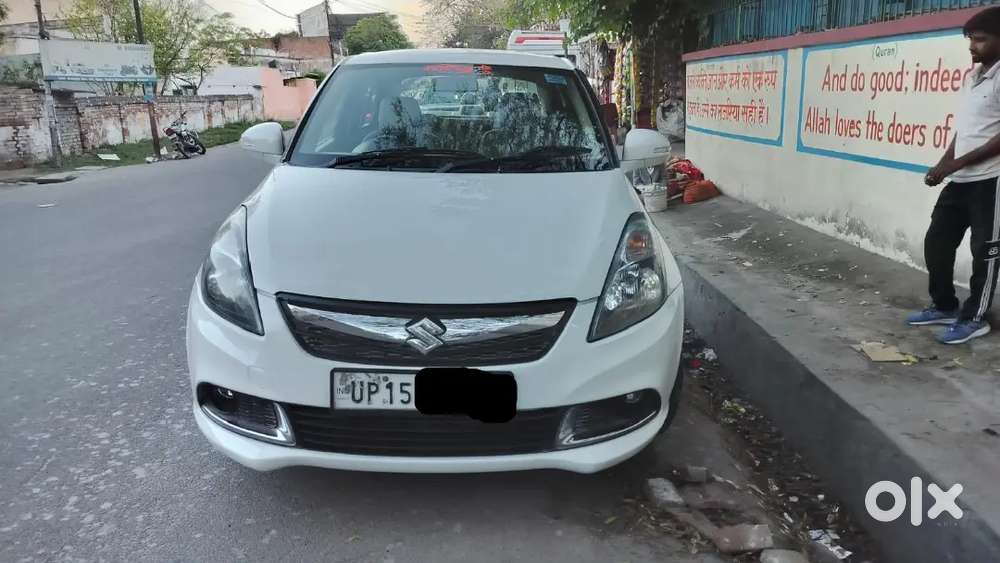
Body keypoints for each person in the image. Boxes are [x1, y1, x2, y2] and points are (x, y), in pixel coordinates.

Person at [910, 7, 1000, 344]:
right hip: (960, 180)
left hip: (990, 181)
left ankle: (975, 317)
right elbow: (965, 130)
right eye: (970, 40)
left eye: (981, 39)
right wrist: (943, 163)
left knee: (985, 253)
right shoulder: (973, 77)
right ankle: (944, 305)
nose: (972, 46)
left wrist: (955, 164)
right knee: (937, 241)